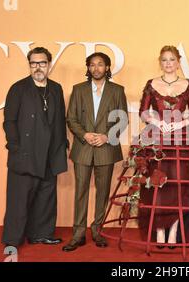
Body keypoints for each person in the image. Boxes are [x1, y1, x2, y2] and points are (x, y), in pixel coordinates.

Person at [137, 45, 189, 248]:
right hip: (157, 140)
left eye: (172, 59)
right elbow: (143, 111)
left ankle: (174, 232)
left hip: (181, 141)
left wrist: (179, 123)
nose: (168, 63)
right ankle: (160, 232)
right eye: (164, 60)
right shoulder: (151, 84)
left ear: (178, 62)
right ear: (160, 62)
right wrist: (158, 123)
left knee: (180, 187)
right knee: (158, 186)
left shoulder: (187, 85)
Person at [2, 47, 68, 252]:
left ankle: (42, 234)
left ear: (49, 65)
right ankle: (13, 239)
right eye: (34, 63)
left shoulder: (56, 88)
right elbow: (9, 121)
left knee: (46, 196)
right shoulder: (18, 88)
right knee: (19, 199)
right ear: (29, 65)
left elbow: (59, 120)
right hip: (25, 153)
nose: (38, 67)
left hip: (51, 153)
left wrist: (62, 145)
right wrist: (15, 147)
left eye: (42, 63)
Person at [63, 52, 128, 251]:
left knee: (103, 192)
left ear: (107, 68)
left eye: (100, 64)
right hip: (83, 148)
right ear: (88, 68)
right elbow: (71, 118)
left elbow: (123, 119)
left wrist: (106, 136)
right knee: (80, 192)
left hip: (106, 148)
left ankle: (98, 231)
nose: (96, 68)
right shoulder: (78, 89)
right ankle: (78, 234)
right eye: (92, 65)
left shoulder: (117, 90)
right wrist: (85, 135)